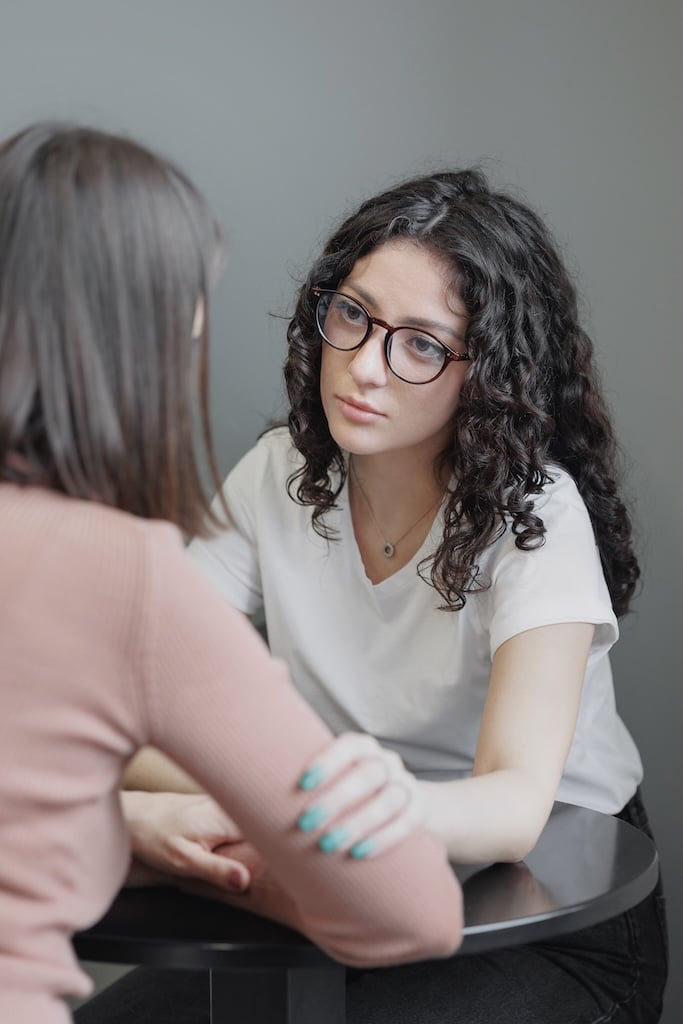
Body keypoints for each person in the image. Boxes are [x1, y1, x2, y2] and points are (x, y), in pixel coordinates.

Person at [83, 170, 669, 1024]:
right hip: (328, 888)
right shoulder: (280, 472)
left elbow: (509, 810)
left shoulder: (535, 512)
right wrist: (238, 804)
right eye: (352, 315)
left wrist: (295, 804)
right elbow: (127, 705)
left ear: (488, 372)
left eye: (422, 344)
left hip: (542, 913)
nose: (363, 366)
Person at [0, 124, 466, 1024]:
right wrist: (153, 827)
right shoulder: (119, 573)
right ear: (145, 337)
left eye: (419, 343)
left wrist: (122, 823)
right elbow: (410, 909)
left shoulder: (536, 510)